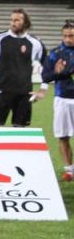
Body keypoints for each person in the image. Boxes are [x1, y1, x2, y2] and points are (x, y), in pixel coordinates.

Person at [0, 9, 46, 128]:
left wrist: (43, 90)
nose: (13, 23)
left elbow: (48, 68)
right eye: (11, 20)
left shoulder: (35, 42)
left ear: (25, 22)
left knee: (20, 134)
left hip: (24, 94)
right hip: (2, 91)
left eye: (17, 20)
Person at [41, 20, 74, 181]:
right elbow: (45, 77)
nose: (68, 39)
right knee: (63, 135)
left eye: (72, 36)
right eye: (65, 36)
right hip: (63, 99)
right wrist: (56, 72)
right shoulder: (55, 53)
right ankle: (69, 171)